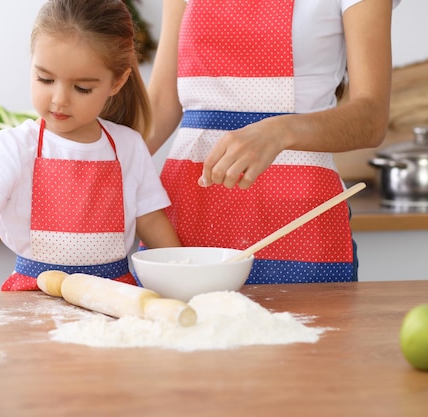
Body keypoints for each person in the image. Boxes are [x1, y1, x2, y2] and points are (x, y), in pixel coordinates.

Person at [146, 0, 401, 284]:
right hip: (189, 210)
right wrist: (97, 165)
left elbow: (372, 119)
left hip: (299, 222)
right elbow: (160, 105)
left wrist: (280, 131)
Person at [0, 0, 180, 291]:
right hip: (35, 294)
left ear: (117, 82)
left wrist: (181, 268)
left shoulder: (129, 146)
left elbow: (151, 220)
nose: (59, 99)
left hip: (113, 294)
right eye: (45, 79)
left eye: (82, 88)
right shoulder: (15, 146)